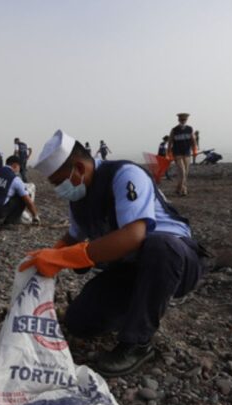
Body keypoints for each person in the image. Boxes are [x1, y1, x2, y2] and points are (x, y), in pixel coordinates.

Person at [22, 129, 206, 377]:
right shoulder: (79, 198)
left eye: (58, 182)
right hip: (130, 269)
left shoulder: (124, 175)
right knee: (79, 322)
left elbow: (134, 235)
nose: (58, 190)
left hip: (176, 261)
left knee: (159, 246)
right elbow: (73, 237)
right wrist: (46, 258)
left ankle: (137, 343)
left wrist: (65, 258)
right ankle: (140, 307)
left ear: (79, 168)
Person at [0, 156, 40, 230]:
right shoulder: (14, 179)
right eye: (19, 167)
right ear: (15, 165)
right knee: (23, 197)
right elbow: (28, 201)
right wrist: (35, 216)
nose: (19, 170)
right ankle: (9, 222)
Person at [168, 113, 197, 196]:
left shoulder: (190, 129)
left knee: (185, 172)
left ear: (186, 120)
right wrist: (169, 153)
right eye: (181, 119)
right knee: (182, 172)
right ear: (178, 120)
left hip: (187, 153)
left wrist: (194, 150)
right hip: (177, 153)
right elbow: (170, 142)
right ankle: (182, 189)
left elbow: (193, 140)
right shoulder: (174, 130)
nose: (183, 121)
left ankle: (180, 188)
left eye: (184, 119)